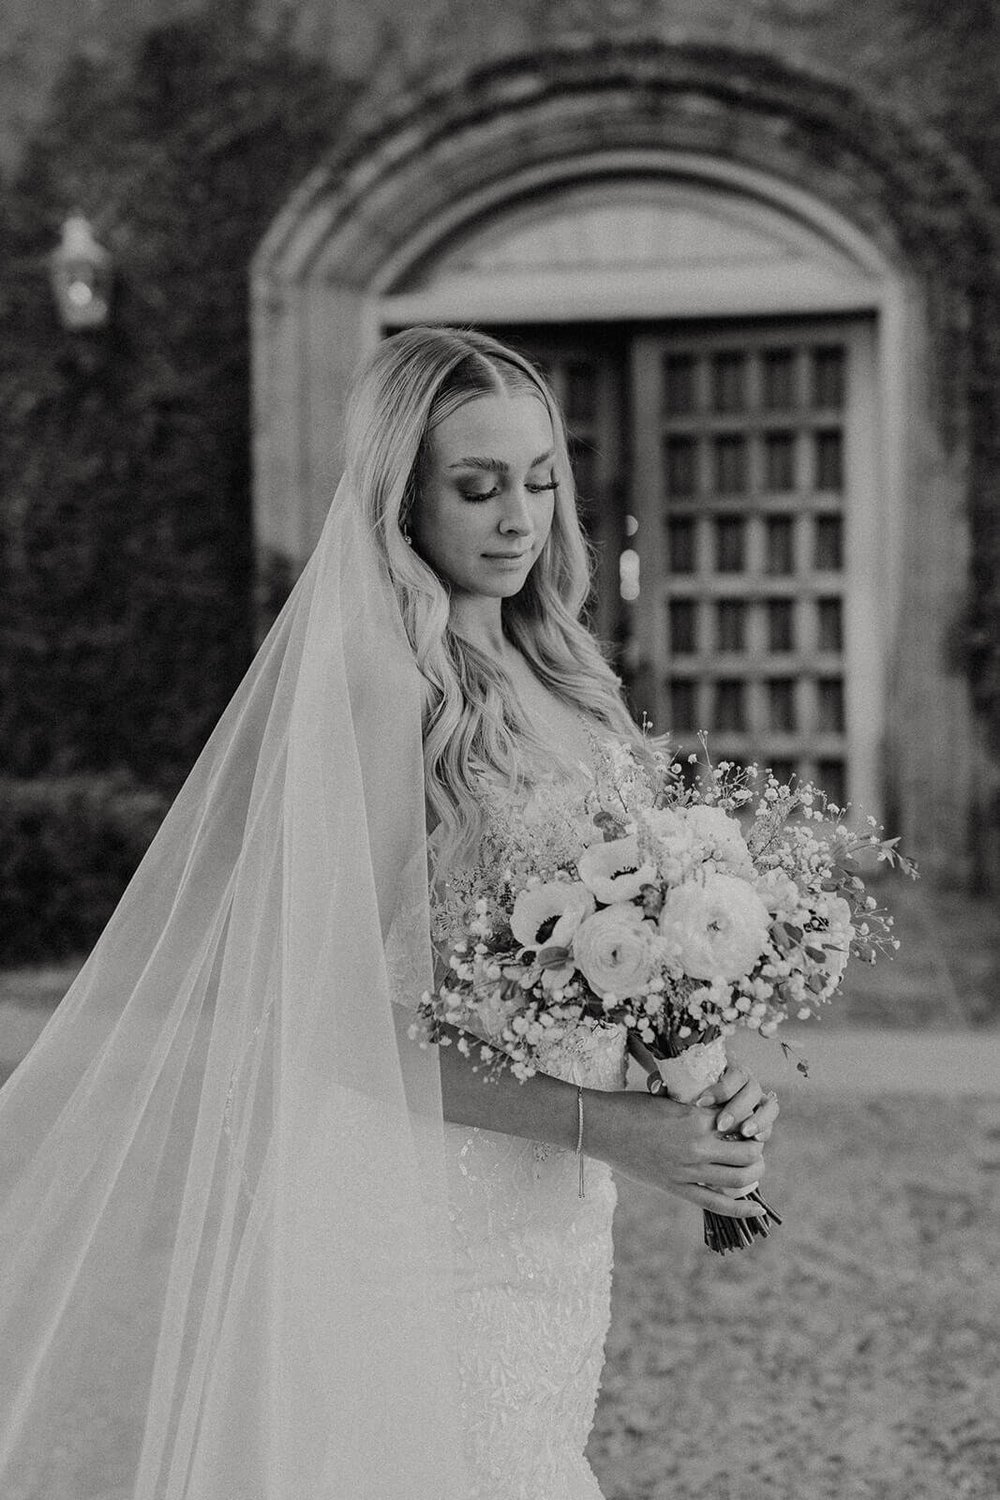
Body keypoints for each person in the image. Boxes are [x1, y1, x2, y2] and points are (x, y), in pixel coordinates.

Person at [0, 325, 776, 1500]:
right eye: (476, 487)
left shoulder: (562, 674)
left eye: (539, 478)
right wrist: (611, 1128)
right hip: (420, 1217)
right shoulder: (383, 687)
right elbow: (327, 1023)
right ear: (400, 504)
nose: (518, 517)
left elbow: (606, 952)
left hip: (551, 1215)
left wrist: (695, 1081)